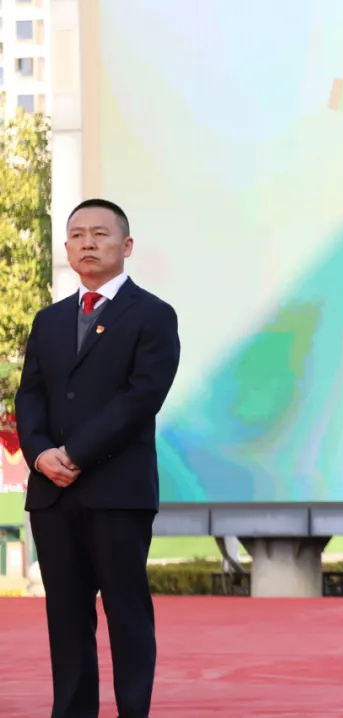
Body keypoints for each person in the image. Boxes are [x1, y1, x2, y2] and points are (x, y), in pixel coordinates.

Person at [15, 198, 181, 718]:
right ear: (67, 247)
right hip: (52, 492)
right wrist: (40, 454)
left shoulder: (153, 314)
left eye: (100, 234)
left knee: (126, 613)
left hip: (117, 490)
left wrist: (75, 454)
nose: (88, 243)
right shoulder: (48, 320)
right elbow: (29, 396)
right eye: (78, 235)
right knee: (66, 617)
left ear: (126, 246)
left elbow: (142, 396)